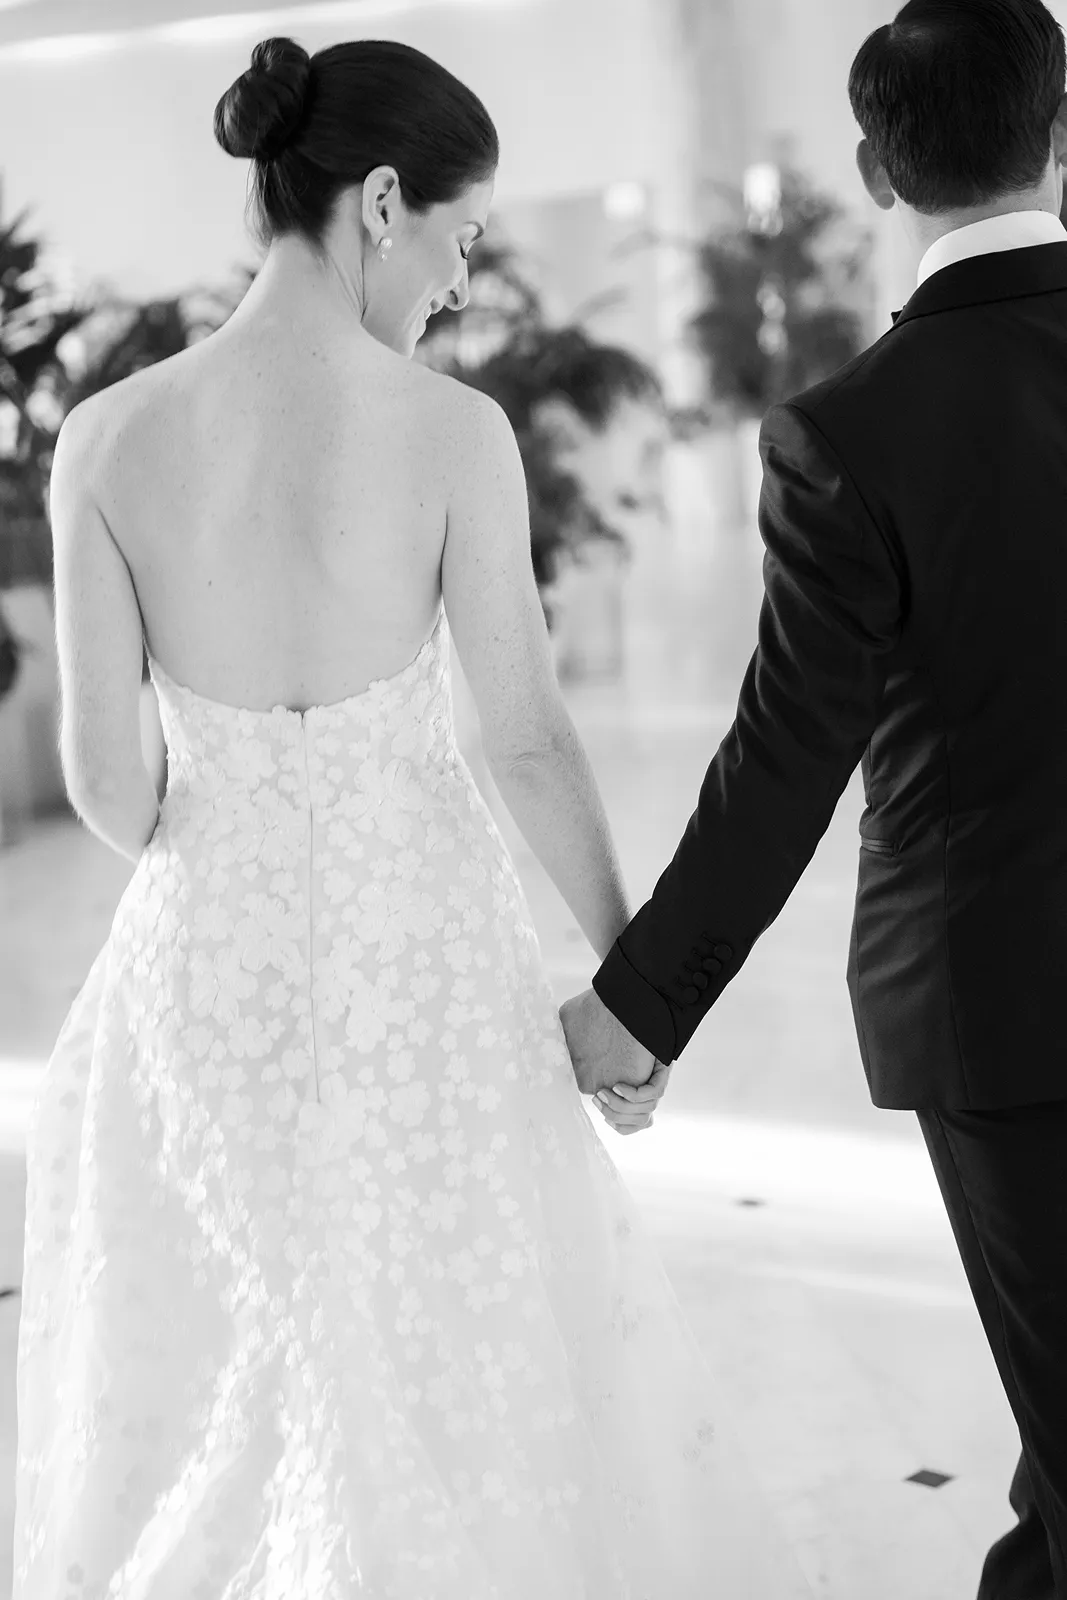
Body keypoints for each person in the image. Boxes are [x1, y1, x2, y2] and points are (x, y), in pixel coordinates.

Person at [12, 36, 812, 1599]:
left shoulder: (105, 442)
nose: (460, 278)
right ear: (381, 202)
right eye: (458, 238)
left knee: (248, 1365)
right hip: (423, 967)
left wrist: (245, 824)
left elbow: (112, 789)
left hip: (206, 971)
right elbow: (516, 733)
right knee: (435, 1352)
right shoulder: (453, 438)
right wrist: (636, 979)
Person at [565, 1, 1067, 1595]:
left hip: (999, 1008)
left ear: (871, 171)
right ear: (1057, 132)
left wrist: (639, 1005)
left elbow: (789, 750)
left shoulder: (850, 431)